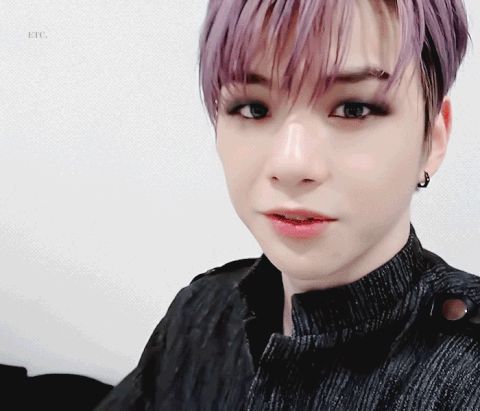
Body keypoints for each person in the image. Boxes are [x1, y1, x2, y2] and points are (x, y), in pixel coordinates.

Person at [95, 0, 480, 409]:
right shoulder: (201, 311)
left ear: (432, 139)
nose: (291, 164)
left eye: (354, 109)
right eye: (253, 108)